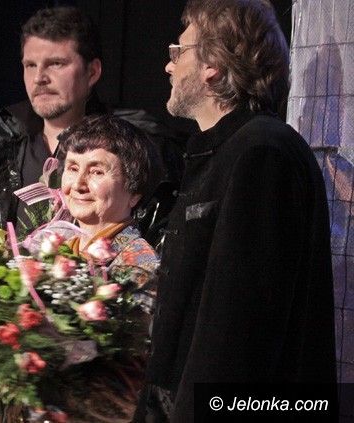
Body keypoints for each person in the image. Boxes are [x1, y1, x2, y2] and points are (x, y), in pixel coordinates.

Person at [138, 0, 336, 421]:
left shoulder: (262, 153)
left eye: (179, 51)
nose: (169, 66)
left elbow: (238, 333)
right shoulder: (225, 152)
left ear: (212, 64)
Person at [0, 6, 181, 244]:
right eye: (30, 65)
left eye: (56, 63)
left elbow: (162, 245)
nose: (39, 78)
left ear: (92, 72)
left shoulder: (140, 145)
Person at [39, 115, 160, 422]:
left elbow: (127, 376)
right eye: (72, 168)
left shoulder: (140, 266)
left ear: (134, 192)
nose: (79, 184)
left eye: (96, 171)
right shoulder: (52, 246)